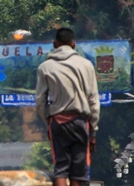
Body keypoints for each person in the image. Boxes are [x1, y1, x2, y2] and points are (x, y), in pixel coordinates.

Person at [34, 28, 100, 186]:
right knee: (79, 170)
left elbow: (40, 101)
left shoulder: (45, 67)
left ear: (55, 44)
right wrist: (93, 130)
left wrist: (48, 122)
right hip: (80, 121)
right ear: (73, 44)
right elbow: (93, 100)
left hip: (58, 121)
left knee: (61, 168)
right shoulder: (86, 65)